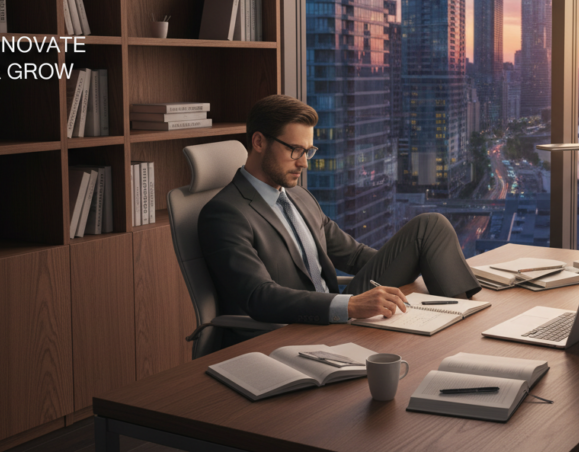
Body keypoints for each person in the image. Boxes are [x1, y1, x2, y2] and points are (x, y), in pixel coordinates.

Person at [198, 94, 480, 343]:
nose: (304, 163)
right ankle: (460, 339)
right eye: (294, 150)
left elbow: (355, 256)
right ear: (259, 142)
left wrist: (422, 263)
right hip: (295, 326)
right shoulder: (225, 213)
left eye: (308, 151)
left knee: (431, 226)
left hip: (340, 310)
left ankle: (463, 319)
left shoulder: (300, 197)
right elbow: (259, 296)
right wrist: (350, 306)